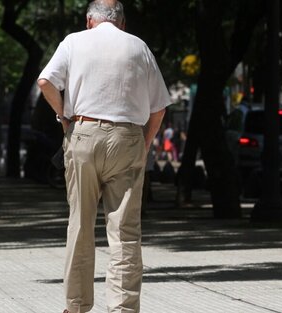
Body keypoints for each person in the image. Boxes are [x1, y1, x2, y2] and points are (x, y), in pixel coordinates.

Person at [37, 1, 171, 312]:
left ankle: (77, 305)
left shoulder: (73, 41)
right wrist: (145, 144)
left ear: (89, 20)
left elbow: (45, 82)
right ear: (122, 22)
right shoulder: (138, 46)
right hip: (128, 137)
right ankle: (122, 308)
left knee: (80, 224)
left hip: (84, 132)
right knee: (124, 231)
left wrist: (64, 117)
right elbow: (159, 106)